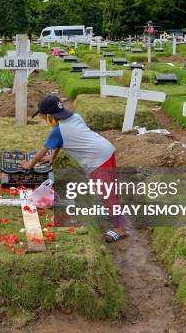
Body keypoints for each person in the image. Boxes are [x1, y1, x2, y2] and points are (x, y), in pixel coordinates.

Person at [19, 96, 128, 243]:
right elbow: (59, 143)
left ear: (50, 117)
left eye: (44, 117)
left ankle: (120, 229)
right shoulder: (75, 117)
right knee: (109, 190)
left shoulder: (58, 131)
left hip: (97, 160)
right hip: (106, 150)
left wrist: (30, 165)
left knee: (106, 193)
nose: (44, 120)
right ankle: (116, 215)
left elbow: (43, 150)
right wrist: (53, 158)